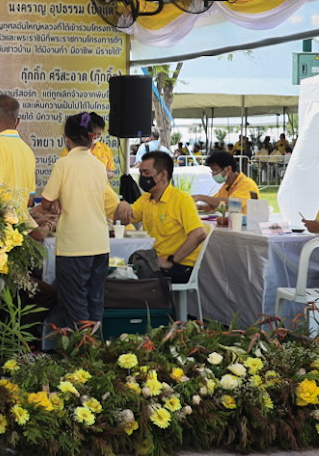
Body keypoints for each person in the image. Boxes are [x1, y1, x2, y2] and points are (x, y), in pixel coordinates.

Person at [40, 114, 130, 338]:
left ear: (66, 138)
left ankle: (83, 350)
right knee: (95, 299)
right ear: (91, 138)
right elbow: (108, 202)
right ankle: (95, 349)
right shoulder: (99, 166)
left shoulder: (63, 164)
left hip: (73, 246)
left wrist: (55, 202)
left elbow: (46, 201)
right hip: (99, 245)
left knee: (75, 303)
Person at [124, 150, 207, 285]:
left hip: (180, 265)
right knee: (122, 270)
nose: (142, 178)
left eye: (146, 173)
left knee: (129, 277)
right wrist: (121, 207)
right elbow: (127, 218)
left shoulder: (181, 200)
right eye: (141, 173)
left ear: (163, 175)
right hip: (155, 260)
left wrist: (171, 261)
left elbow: (199, 234)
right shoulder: (146, 199)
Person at [0, 94, 36, 210]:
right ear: (17, 121)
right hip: (21, 221)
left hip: (0, 221)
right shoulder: (27, 151)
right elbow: (30, 200)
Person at [194, 150, 262, 215]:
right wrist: (193, 205)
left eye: (215, 170)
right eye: (212, 171)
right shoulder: (226, 186)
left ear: (228, 169)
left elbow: (232, 202)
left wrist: (200, 197)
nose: (213, 174)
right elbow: (213, 205)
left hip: (245, 222)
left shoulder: (247, 184)